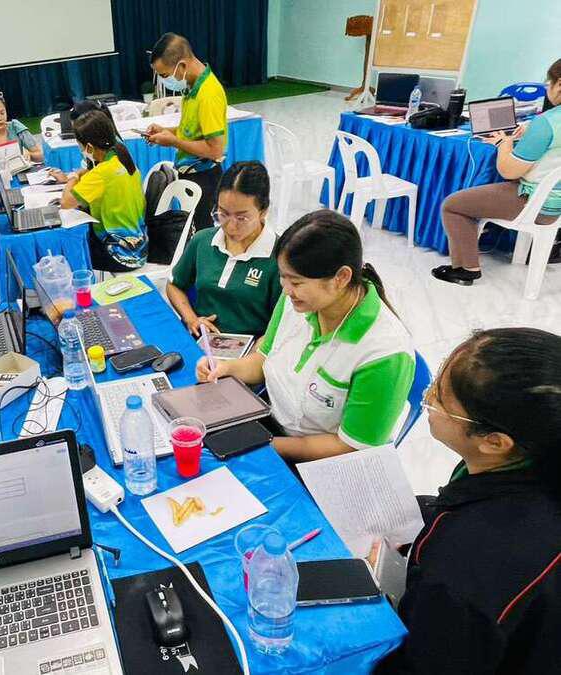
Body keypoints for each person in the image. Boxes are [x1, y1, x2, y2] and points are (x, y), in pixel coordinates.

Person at [376, 328, 561, 674]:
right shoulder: (534, 458)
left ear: (494, 441)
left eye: (440, 399)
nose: (427, 395)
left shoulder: (463, 575)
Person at [197, 210, 415, 462]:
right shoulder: (297, 301)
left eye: (297, 282)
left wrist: (265, 445)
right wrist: (226, 368)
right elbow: (264, 359)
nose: (286, 290)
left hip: (320, 460)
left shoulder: (385, 354)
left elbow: (351, 447)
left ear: (341, 278)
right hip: (272, 425)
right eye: (283, 278)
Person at [432, 58, 561, 285]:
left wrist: (503, 143)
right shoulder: (544, 124)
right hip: (557, 203)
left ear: (559, 84)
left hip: (537, 203)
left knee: (452, 206)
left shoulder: (547, 123)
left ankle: (466, 269)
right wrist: (530, 132)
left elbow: (509, 171)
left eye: (548, 83)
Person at [167, 161, 281, 337]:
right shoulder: (203, 241)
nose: (231, 226)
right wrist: (192, 319)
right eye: (223, 213)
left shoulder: (280, 257)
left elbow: (282, 323)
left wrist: (258, 349)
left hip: (252, 347)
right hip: (203, 338)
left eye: (242, 218)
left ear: (263, 211)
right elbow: (175, 285)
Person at [146, 32, 228, 231]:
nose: (163, 81)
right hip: (190, 174)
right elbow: (191, 131)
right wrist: (166, 131)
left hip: (204, 178)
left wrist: (173, 142)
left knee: (203, 234)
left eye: (164, 75)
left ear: (181, 66)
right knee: (191, 231)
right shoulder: (192, 87)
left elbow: (215, 150)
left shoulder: (208, 95)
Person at [53, 110, 148, 272]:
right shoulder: (122, 158)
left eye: (80, 145)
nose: (80, 149)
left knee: (66, 249)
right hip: (139, 248)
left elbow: (66, 203)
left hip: (117, 254)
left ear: (89, 147)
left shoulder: (101, 173)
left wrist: (72, 177)